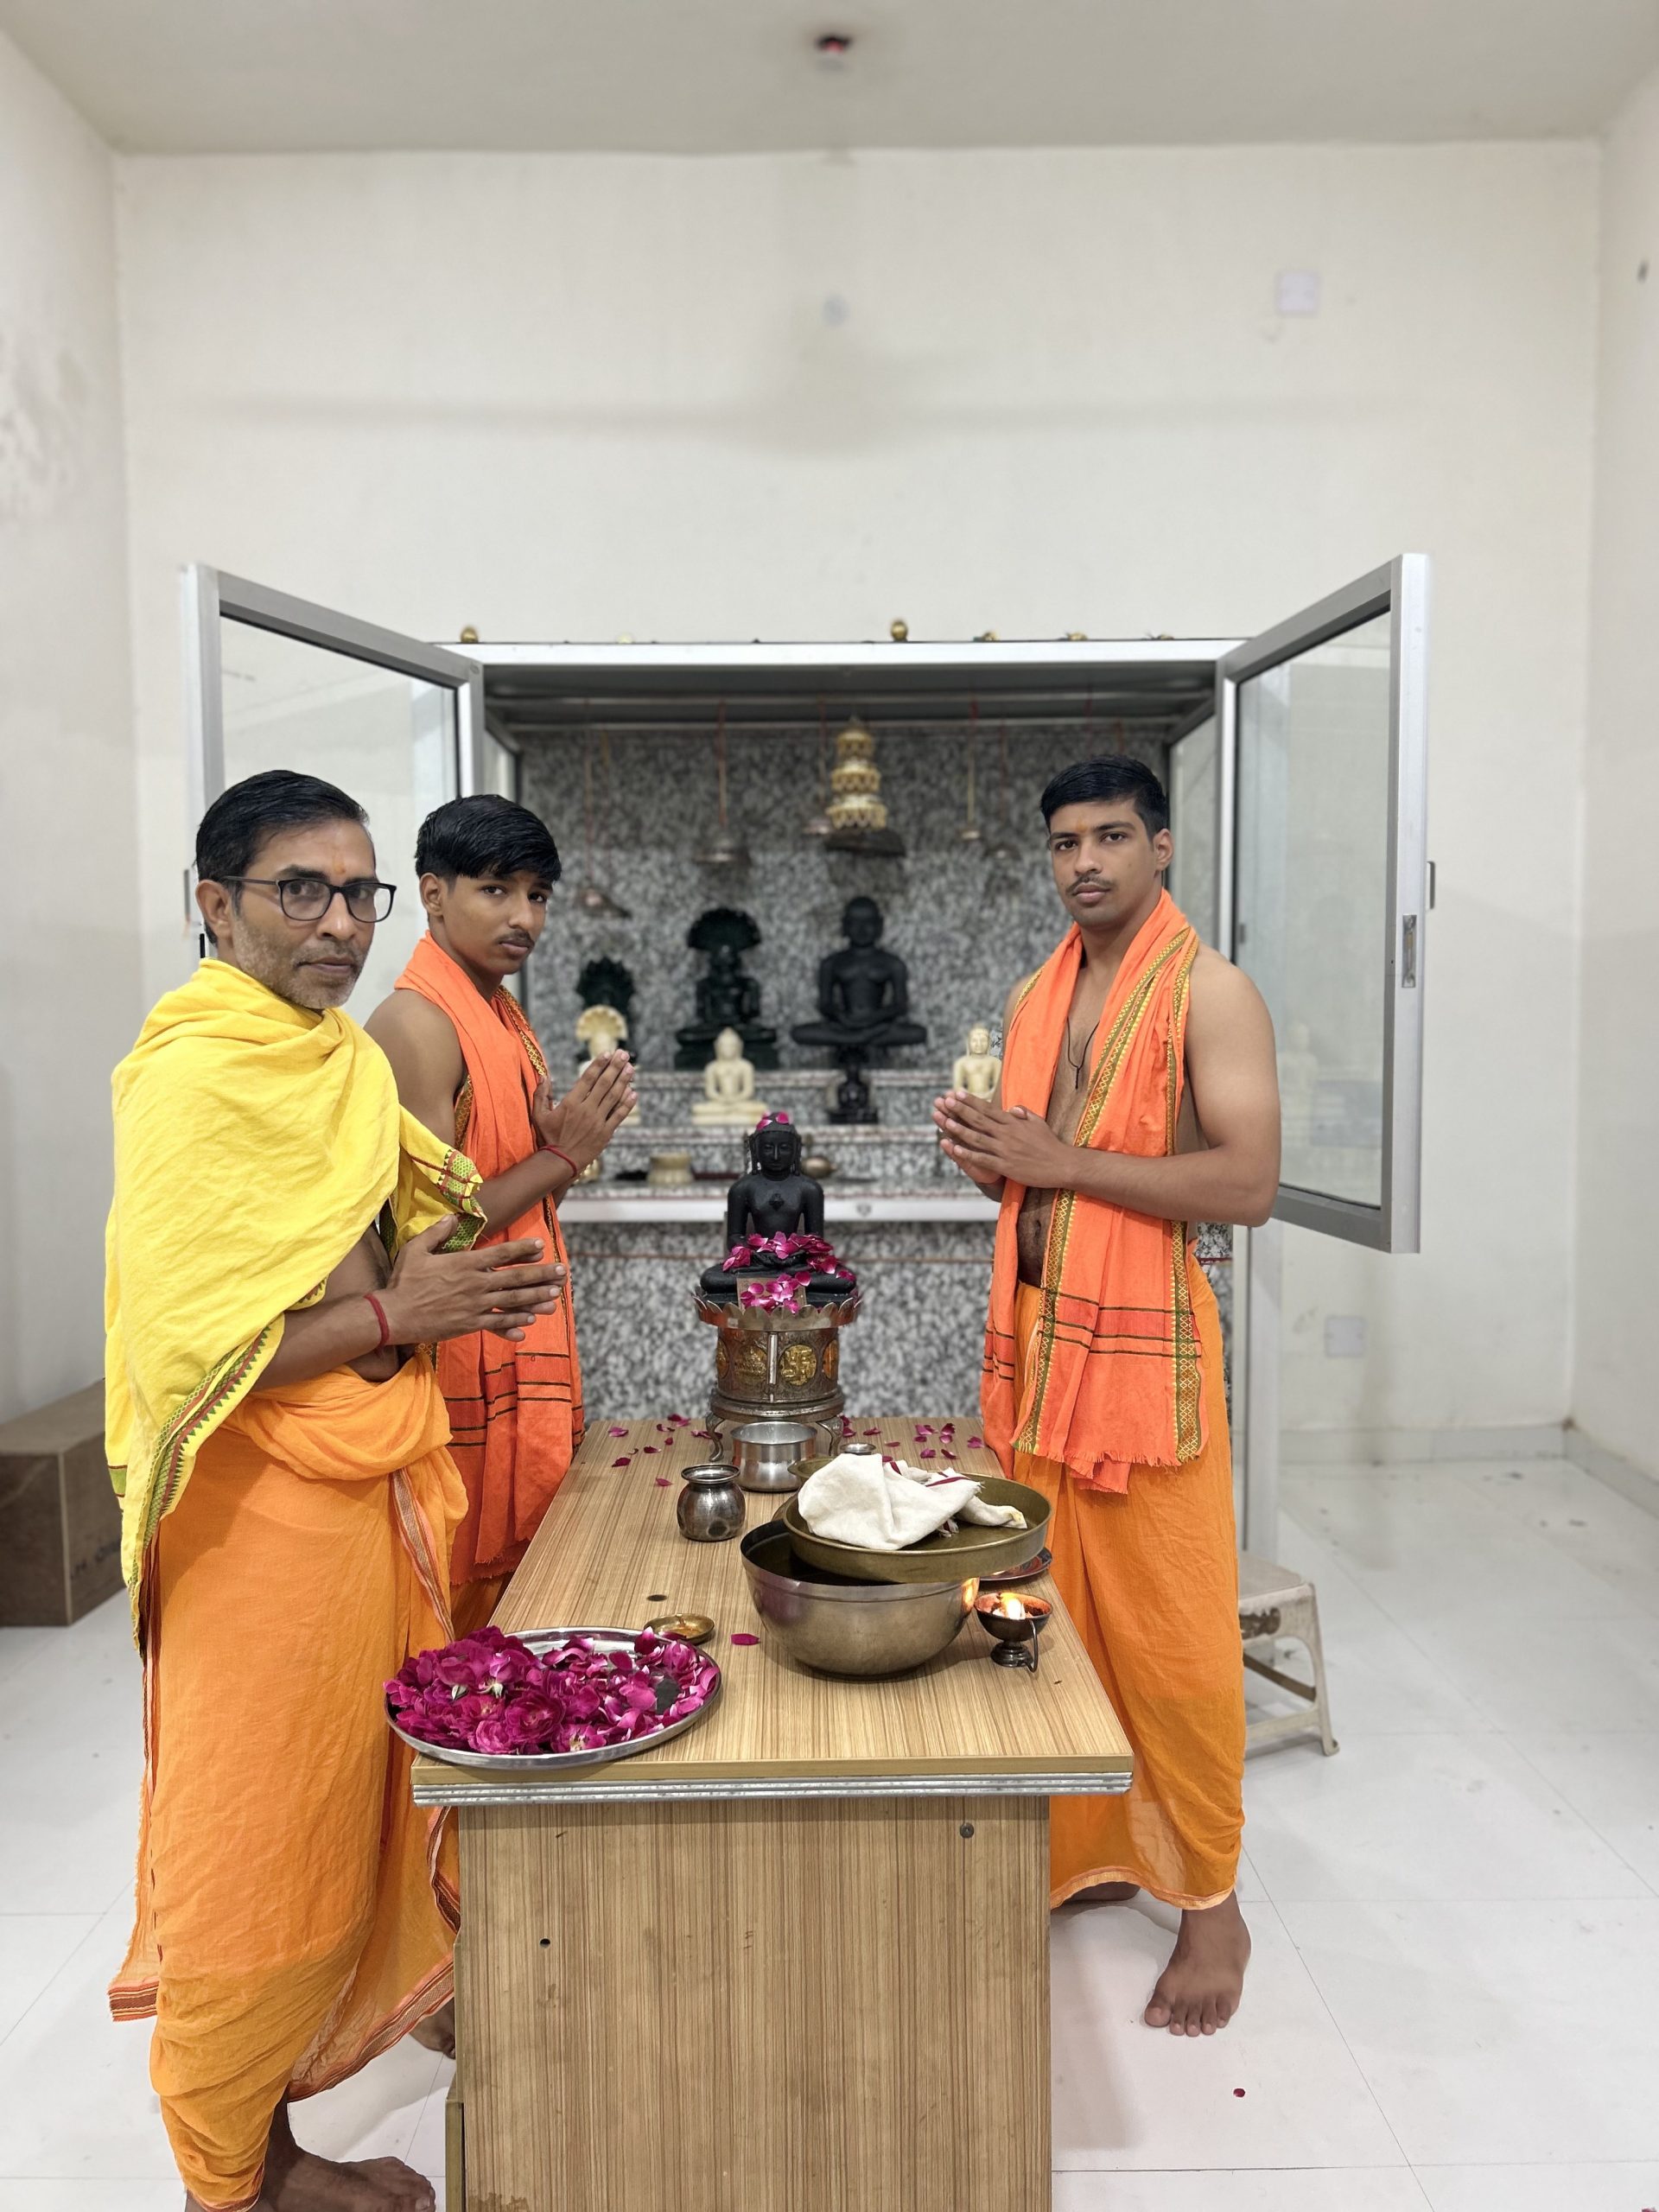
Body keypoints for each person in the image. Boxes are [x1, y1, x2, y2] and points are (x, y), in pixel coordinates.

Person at [105, 768, 569, 2212]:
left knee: (350, 1823)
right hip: (256, 1523)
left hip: (361, 1490)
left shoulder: (337, 1064)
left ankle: (280, 2149)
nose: (339, 925)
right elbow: (194, 1356)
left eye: (356, 893)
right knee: (260, 1856)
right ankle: (227, 2183)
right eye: (300, 890)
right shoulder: (195, 1076)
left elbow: (405, 1226)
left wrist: (435, 1277)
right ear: (215, 902)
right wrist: (397, 1314)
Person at [932, 756, 1280, 2041]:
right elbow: (1051, 1173)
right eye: (1065, 841)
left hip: (1145, 1358)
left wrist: (1058, 1160)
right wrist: (1000, 1168)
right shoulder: (1042, 992)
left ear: (1162, 847)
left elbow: (1246, 1182)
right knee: (1042, 1615)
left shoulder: (1211, 991)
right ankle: (1092, 1847)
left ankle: (1214, 1904)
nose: (1085, 861)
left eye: (1113, 836)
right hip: (1042, 1346)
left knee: (1172, 1639)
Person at [365, 794, 635, 1637]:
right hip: (452, 1349)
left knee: (517, 1611)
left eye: (538, 894)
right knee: (455, 1616)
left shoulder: (501, 1018)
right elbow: (438, 1237)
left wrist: (552, 1157)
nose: (524, 917)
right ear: (432, 893)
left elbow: (514, 1201)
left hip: (508, 1327)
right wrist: (564, 1157)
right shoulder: (418, 1024)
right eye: (496, 890)